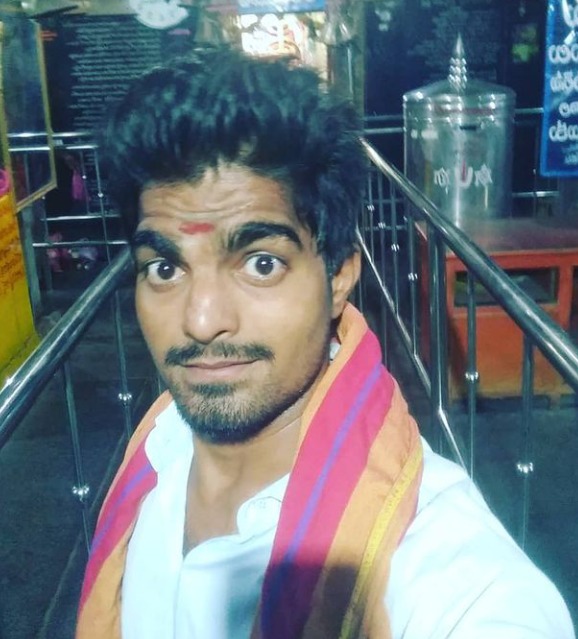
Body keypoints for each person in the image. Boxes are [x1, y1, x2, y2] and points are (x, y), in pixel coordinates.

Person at [76, 46, 574, 639]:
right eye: (165, 269)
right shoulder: (155, 449)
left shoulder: (445, 573)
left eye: (261, 263)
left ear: (338, 277)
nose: (202, 321)